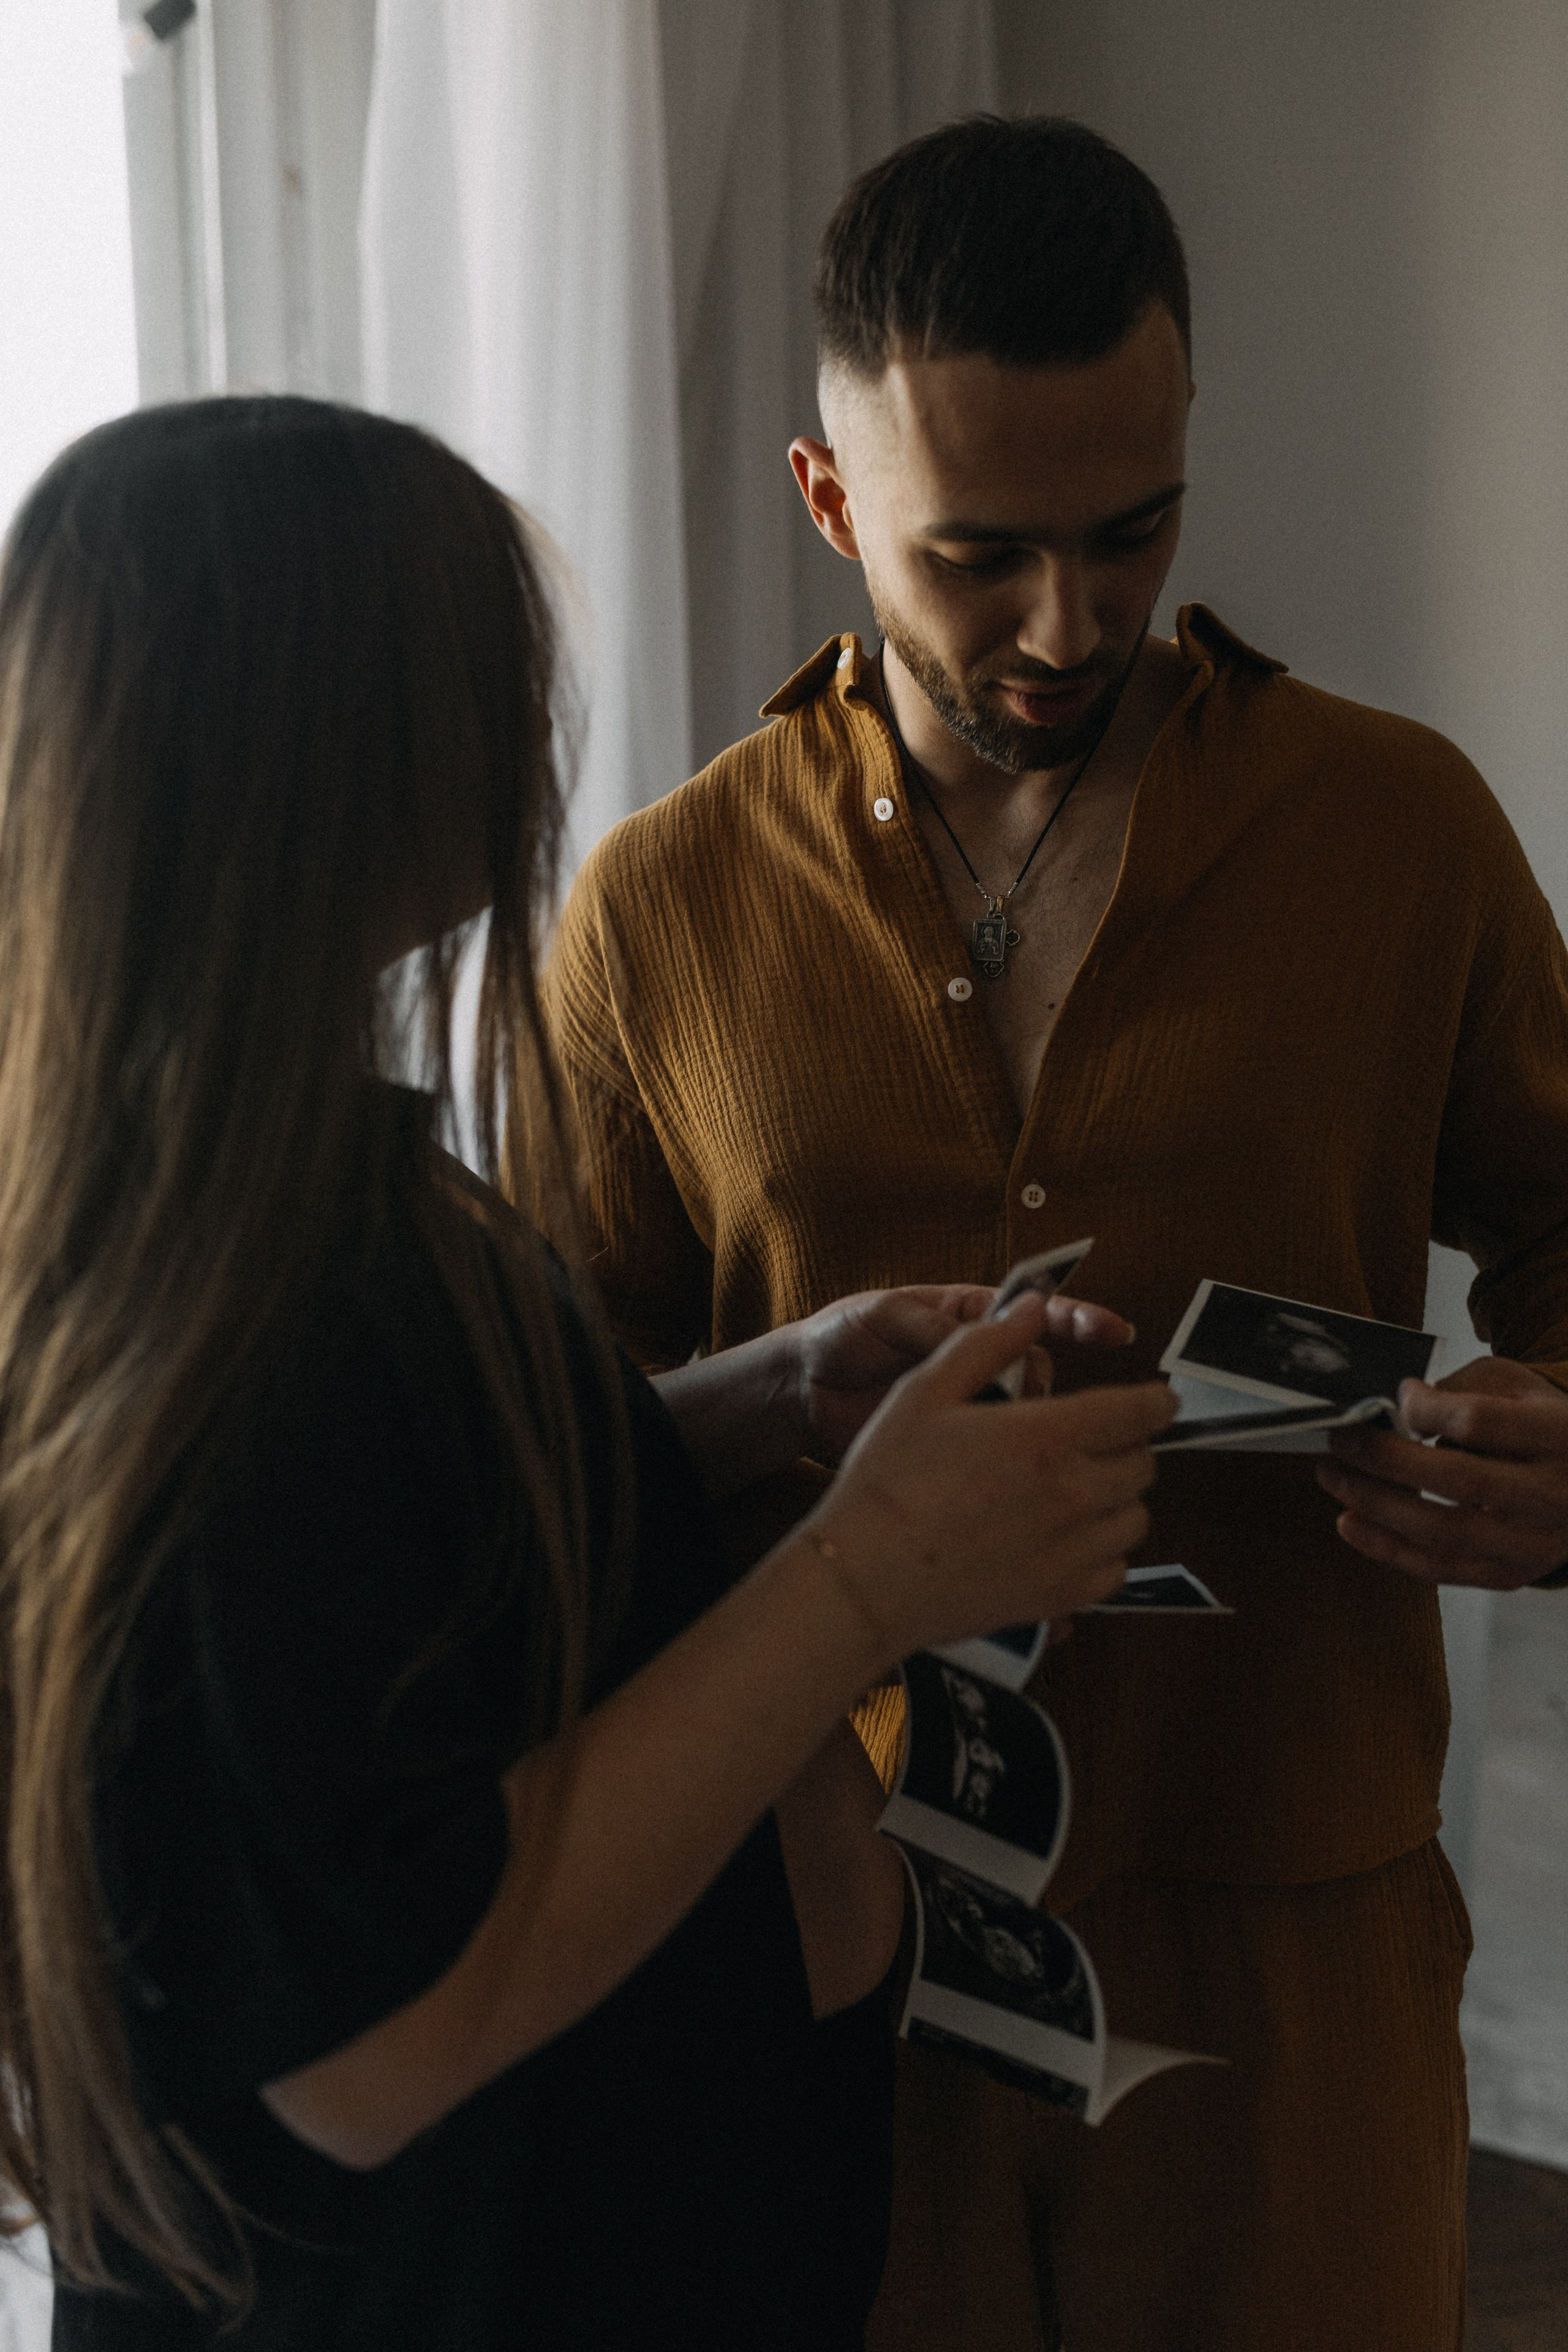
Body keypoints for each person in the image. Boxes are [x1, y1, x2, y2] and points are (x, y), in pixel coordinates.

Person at [0, 396, 1176, 2350]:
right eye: (482, 672)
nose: (528, 732)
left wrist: (746, 1404)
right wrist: (864, 1574)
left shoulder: (275, 1185)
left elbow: (401, 1569)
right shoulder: (243, 1293)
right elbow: (369, 2032)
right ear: (327, 743)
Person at [542, 116, 1568, 2352]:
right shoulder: (655, 915)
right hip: (827, 1944)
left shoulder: (1402, 836)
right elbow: (553, 1446)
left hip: (1295, 1930)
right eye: (979, 554)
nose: (1066, 623)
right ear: (830, 501)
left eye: (1130, 535)